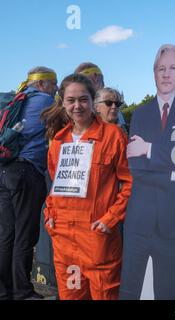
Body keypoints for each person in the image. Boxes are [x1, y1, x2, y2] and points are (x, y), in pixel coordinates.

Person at [120, 44, 175, 300]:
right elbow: (135, 166)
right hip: (138, 219)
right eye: (161, 68)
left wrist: (149, 148)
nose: (166, 74)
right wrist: (169, 165)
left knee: (168, 292)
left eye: (173, 68)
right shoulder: (140, 113)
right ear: (154, 73)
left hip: (173, 221)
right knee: (131, 292)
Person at [44, 74, 132, 300]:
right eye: (71, 100)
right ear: (62, 102)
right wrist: (50, 215)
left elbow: (131, 184)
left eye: (83, 99)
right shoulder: (58, 142)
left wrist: (110, 219)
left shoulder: (113, 136)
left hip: (97, 238)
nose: (77, 106)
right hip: (64, 239)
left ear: (92, 101)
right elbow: (55, 186)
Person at [0, 66, 58, 300]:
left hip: (4, 169)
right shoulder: (45, 100)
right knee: (25, 235)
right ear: (43, 84)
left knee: (6, 236)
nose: (56, 89)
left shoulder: (15, 100)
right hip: (27, 171)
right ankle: (22, 292)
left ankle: (4, 292)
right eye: (54, 84)